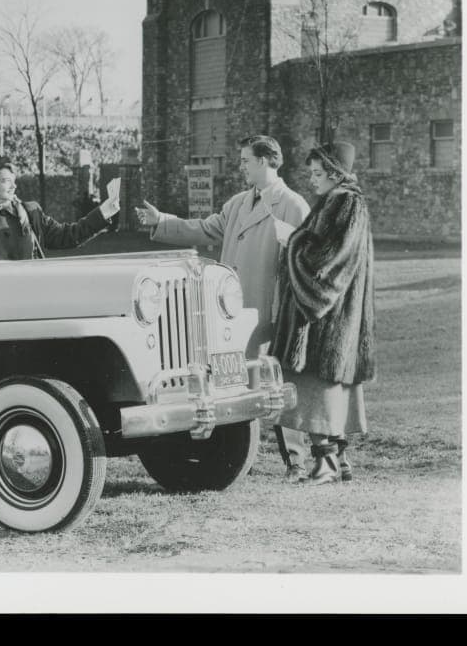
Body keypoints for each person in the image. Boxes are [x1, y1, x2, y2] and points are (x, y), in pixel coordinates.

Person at [134, 135, 311, 478]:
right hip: (230, 313)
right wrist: (161, 222)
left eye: (246, 160)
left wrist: (285, 310)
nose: (241, 166)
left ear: (264, 161)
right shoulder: (238, 204)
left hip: (269, 313)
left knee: (276, 380)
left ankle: (297, 460)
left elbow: (304, 263)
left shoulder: (293, 205)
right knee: (231, 383)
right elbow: (204, 229)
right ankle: (231, 454)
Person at [270, 141, 376, 485]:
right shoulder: (340, 202)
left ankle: (326, 463)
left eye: (318, 173)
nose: (312, 180)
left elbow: (325, 264)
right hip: (338, 319)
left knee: (312, 391)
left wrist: (292, 242)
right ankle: (339, 462)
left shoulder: (344, 204)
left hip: (324, 321)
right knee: (328, 393)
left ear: (335, 174)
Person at [0, 149, 119, 260]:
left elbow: (68, 236)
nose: (14, 187)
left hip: (34, 292)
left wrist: (105, 210)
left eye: (14, 181)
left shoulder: (31, 212)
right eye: (6, 181)